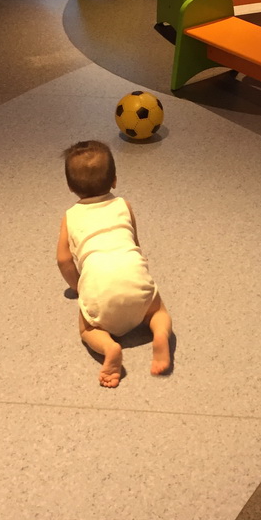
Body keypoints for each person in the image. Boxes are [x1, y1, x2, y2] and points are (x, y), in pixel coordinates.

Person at [57, 140, 173, 387]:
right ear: (115, 180)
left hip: (99, 289)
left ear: (70, 187)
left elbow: (64, 260)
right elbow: (135, 244)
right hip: (135, 278)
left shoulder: (70, 217)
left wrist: (78, 286)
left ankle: (109, 347)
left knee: (87, 329)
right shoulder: (124, 205)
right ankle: (160, 333)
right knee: (157, 311)